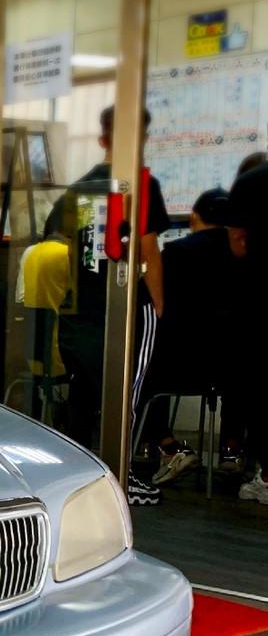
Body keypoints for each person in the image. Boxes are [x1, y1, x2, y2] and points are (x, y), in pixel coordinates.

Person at [43, 105, 171, 505]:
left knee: (83, 395)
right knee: (125, 395)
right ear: (143, 139)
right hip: (124, 309)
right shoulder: (139, 186)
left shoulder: (82, 187)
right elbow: (148, 248)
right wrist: (159, 305)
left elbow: (62, 245)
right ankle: (123, 474)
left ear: (102, 140)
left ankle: (81, 479)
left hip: (81, 310)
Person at [135, 188, 234, 485]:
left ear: (193, 217)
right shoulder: (241, 256)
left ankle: (167, 446)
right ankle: (233, 453)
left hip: (176, 366)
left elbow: (147, 300)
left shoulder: (176, 253)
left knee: (141, 372)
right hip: (229, 370)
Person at [221, 163, 268, 503]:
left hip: (259, 296)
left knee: (259, 387)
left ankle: (266, 476)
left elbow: (237, 242)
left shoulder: (251, 183)